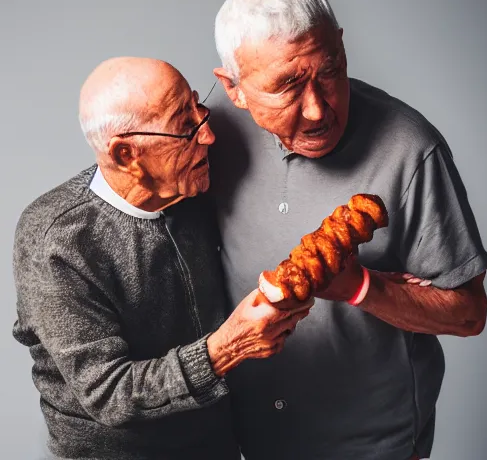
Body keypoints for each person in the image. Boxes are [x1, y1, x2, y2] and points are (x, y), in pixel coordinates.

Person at [208, 0, 487, 460]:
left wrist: (362, 286)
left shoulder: (410, 149)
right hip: (246, 442)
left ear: (340, 44)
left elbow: (468, 315)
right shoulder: (210, 130)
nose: (318, 109)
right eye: (287, 87)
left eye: (330, 70)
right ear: (234, 88)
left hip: (370, 447)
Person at [12, 57, 312, 460]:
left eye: (197, 107)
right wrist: (226, 348)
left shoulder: (189, 188)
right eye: (186, 128)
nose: (208, 137)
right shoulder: (55, 241)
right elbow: (110, 394)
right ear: (125, 155)